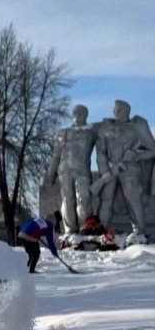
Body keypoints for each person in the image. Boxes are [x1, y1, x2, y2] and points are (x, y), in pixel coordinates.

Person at [92, 100, 155, 233]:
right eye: (115, 109)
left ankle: (139, 232)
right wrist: (105, 172)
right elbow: (100, 153)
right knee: (106, 200)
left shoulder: (137, 126)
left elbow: (152, 150)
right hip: (110, 169)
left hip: (130, 169)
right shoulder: (105, 128)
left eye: (119, 109)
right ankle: (101, 231)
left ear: (127, 111)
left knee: (133, 199)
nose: (115, 112)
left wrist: (136, 156)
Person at [45, 105, 97, 233]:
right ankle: (70, 231)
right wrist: (51, 173)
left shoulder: (91, 132)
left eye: (81, 113)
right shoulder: (62, 133)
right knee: (68, 200)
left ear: (86, 115)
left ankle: (85, 229)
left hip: (83, 171)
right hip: (66, 170)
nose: (78, 116)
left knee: (84, 200)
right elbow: (56, 156)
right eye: (75, 113)